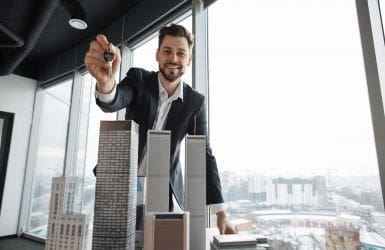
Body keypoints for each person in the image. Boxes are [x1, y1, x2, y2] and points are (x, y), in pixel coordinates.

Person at [84, 24, 235, 234]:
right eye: (167, 51)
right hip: (122, 183)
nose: (173, 58)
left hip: (163, 191)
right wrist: (106, 84)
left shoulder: (195, 102)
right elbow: (116, 99)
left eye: (181, 53)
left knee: (159, 242)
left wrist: (221, 213)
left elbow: (203, 154)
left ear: (189, 60)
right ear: (157, 55)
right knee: (113, 238)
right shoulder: (139, 80)